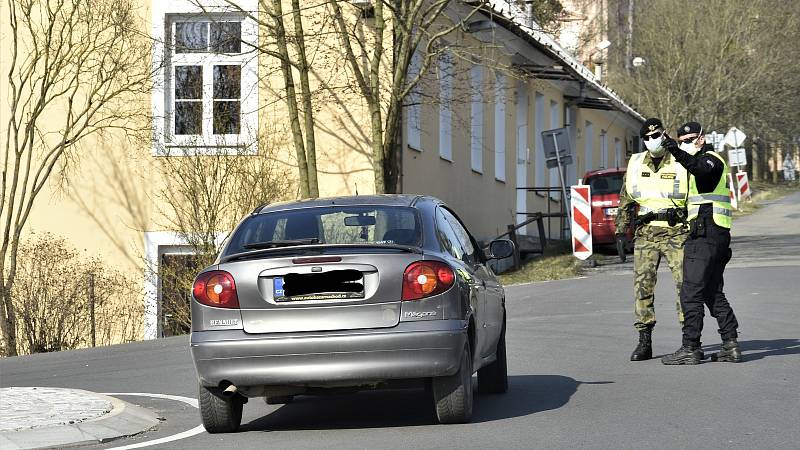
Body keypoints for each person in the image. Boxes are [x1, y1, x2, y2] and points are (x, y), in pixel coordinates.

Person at [661, 121, 741, 365]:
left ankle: (690, 347)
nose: (686, 144)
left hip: (706, 237)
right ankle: (730, 344)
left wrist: (675, 150)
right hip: (713, 235)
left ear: (701, 139)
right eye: (682, 141)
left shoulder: (711, 160)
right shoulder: (696, 165)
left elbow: (701, 170)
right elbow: (700, 196)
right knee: (711, 291)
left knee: (691, 292)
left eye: (689, 140)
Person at [616, 118, 689, 361]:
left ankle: (688, 339)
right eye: (646, 138)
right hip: (646, 234)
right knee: (642, 287)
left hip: (677, 231)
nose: (651, 141)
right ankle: (644, 340)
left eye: (655, 135)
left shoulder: (681, 157)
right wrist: (621, 230)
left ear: (664, 133)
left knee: (684, 286)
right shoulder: (636, 162)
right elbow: (626, 198)